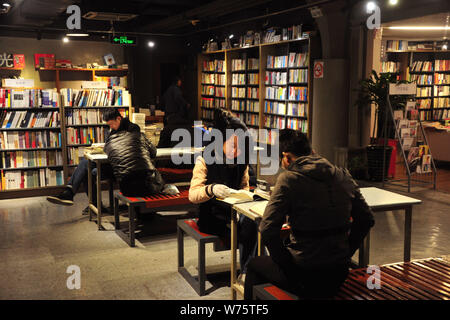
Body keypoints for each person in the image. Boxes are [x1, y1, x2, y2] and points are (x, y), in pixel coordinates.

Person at [244, 129, 375, 300]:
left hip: (306, 272)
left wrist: (287, 266)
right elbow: (367, 219)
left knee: (254, 266)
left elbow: (267, 229)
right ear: (312, 151)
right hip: (338, 271)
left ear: (287, 157)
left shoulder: (289, 179)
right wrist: (346, 252)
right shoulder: (343, 175)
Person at [188, 109, 258, 282]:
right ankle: (250, 272)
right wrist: (211, 189)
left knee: (253, 222)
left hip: (234, 212)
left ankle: (250, 272)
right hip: (211, 215)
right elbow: (193, 194)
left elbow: (244, 187)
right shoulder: (205, 159)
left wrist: (244, 195)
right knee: (250, 227)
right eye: (233, 146)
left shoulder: (242, 162)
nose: (238, 151)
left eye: (241, 147)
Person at [103, 108, 165, 197]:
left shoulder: (111, 139)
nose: (111, 127)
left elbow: (108, 149)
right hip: (148, 185)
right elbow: (153, 152)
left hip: (126, 188)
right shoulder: (139, 135)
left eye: (111, 124)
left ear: (119, 119)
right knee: (153, 173)